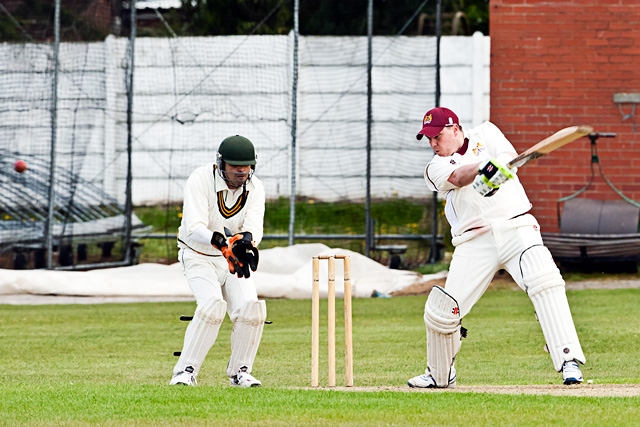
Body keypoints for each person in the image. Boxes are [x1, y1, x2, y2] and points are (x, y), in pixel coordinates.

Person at [407, 107, 585, 388]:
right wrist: (483, 169)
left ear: (455, 129)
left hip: (516, 228)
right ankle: (439, 375)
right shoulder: (434, 167)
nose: (433, 144)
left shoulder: (487, 132)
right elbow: (458, 177)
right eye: (428, 139)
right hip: (474, 241)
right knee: (444, 311)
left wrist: (497, 171)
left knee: (544, 280)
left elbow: (506, 157)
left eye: (437, 136)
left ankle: (568, 361)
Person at [170, 134, 266, 388]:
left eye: (246, 165)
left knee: (252, 308)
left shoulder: (256, 188)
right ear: (221, 164)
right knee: (212, 306)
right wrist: (221, 243)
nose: (241, 171)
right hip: (197, 255)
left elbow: (255, 228)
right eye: (235, 165)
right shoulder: (200, 179)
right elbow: (194, 227)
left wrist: (245, 241)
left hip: (230, 258)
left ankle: (240, 372)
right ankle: (185, 371)